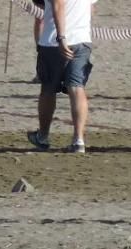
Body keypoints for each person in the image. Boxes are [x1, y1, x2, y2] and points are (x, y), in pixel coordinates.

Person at [27, 0, 98, 154]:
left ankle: (43, 136)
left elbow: (58, 5)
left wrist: (62, 38)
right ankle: (78, 140)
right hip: (82, 40)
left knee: (48, 89)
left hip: (54, 41)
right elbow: (91, 9)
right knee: (77, 87)